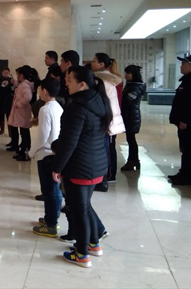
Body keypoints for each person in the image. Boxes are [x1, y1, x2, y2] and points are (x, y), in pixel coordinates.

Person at [51, 66, 112, 268]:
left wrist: (57, 167)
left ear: (82, 84)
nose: (66, 83)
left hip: (79, 167)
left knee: (80, 211)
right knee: (85, 206)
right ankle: (94, 244)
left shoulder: (77, 107)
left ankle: (82, 254)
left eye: (69, 79)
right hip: (96, 165)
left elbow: (69, 142)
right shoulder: (98, 100)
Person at [29, 77, 64, 238]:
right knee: (54, 190)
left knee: (49, 191)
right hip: (55, 152)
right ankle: (51, 217)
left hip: (46, 154)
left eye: (39, 89)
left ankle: (51, 225)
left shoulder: (45, 109)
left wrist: (31, 152)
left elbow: (42, 136)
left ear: (44, 91)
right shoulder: (58, 106)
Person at [168, 55, 191, 186]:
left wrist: (185, 120)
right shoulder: (188, 80)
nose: (181, 66)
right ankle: (183, 172)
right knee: (185, 150)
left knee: (189, 151)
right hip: (184, 122)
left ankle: (187, 177)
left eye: (184, 64)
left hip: (189, 124)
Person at [91, 53, 125, 187]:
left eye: (94, 61)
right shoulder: (105, 78)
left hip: (108, 119)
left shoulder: (103, 80)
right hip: (108, 118)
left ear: (101, 65)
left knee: (108, 149)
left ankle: (109, 175)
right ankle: (106, 175)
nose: (91, 63)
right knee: (107, 147)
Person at [121, 65, 146, 171]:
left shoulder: (135, 87)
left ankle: (133, 161)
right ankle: (134, 160)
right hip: (130, 115)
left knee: (131, 139)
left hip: (131, 116)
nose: (125, 75)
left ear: (134, 75)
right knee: (130, 139)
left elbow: (128, 102)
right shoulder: (131, 85)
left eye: (128, 73)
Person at [8, 66, 36, 158]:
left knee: (24, 133)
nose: (17, 76)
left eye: (18, 74)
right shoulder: (23, 84)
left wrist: (18, 104)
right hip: (21, 112)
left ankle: (25, 152)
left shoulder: (25, 85)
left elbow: (28, 97)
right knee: (23, 132)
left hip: (22, 111)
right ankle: (23, 151)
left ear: (22, 75)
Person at [0, 68, 14, 135]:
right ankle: (2, 129)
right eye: (4, 73)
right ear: (2, 73)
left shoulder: (11, 80)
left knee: (8, 115)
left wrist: (10, 84)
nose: (5, 74)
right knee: (1, 115)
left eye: (7, 73)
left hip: (8, 99)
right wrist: (2, 84)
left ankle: (10, 131)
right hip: (1, 99)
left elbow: (13, 89)